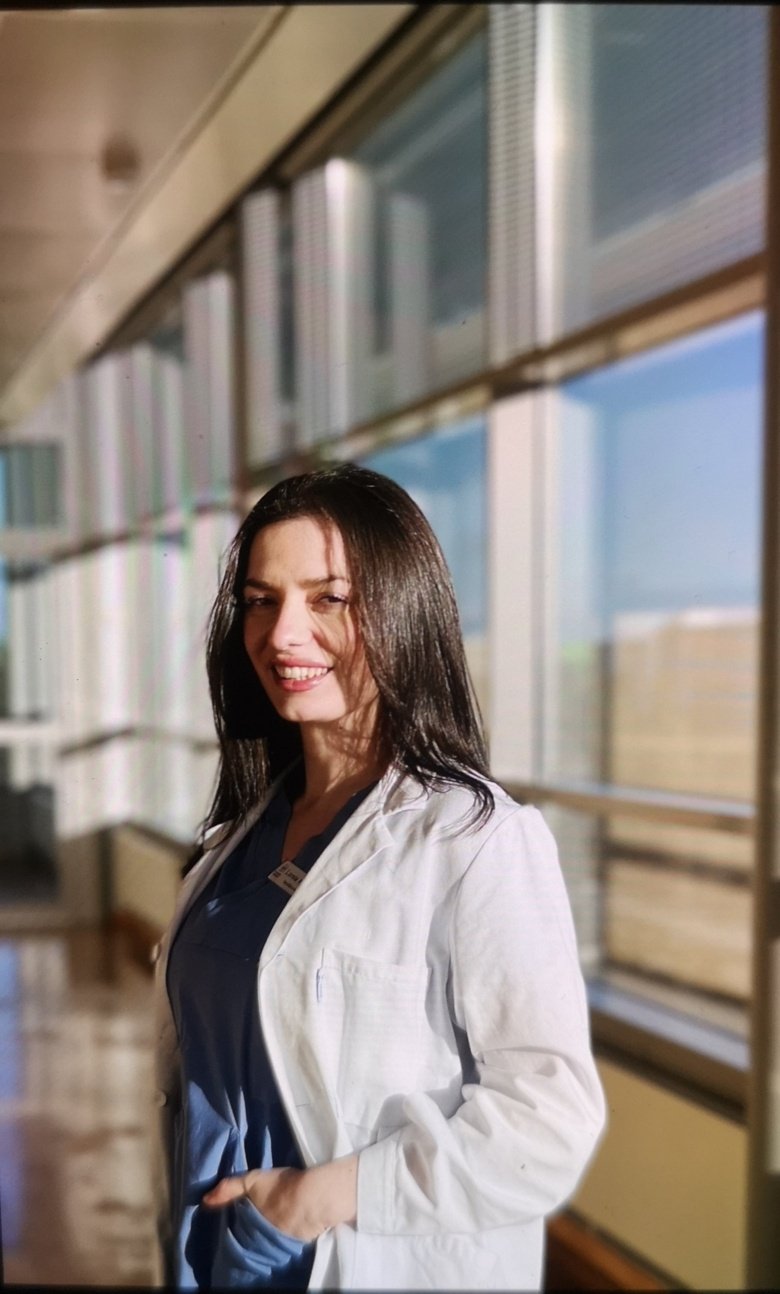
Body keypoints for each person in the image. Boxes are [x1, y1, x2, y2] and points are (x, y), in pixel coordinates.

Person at [152, 463, 605, 1291]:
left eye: (328, 599)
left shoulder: (476, 841)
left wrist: (316, 1199)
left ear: (402, 610)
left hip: (336, 1254)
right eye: (262, 599)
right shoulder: (238, 842)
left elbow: (550, 1123)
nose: (284, 633)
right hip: (213, 1256)